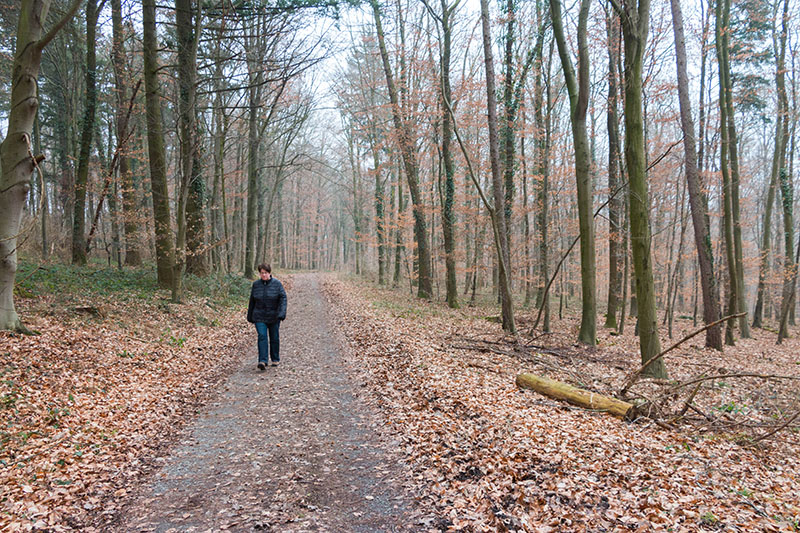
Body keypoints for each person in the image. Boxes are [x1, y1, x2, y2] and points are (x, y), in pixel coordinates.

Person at [246, 263, 287, 370]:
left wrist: (281, 313)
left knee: (274, 338)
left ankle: (275, 358)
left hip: (274, 316)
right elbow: (252, 301)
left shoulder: (277, 284)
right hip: (259, 316)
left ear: (269, 273)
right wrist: (249, 315)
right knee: (262, 336)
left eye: (265, 273)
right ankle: (263, 361)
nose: (263, 275)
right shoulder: (256, 285)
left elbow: (283, 299)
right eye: (261, 273)